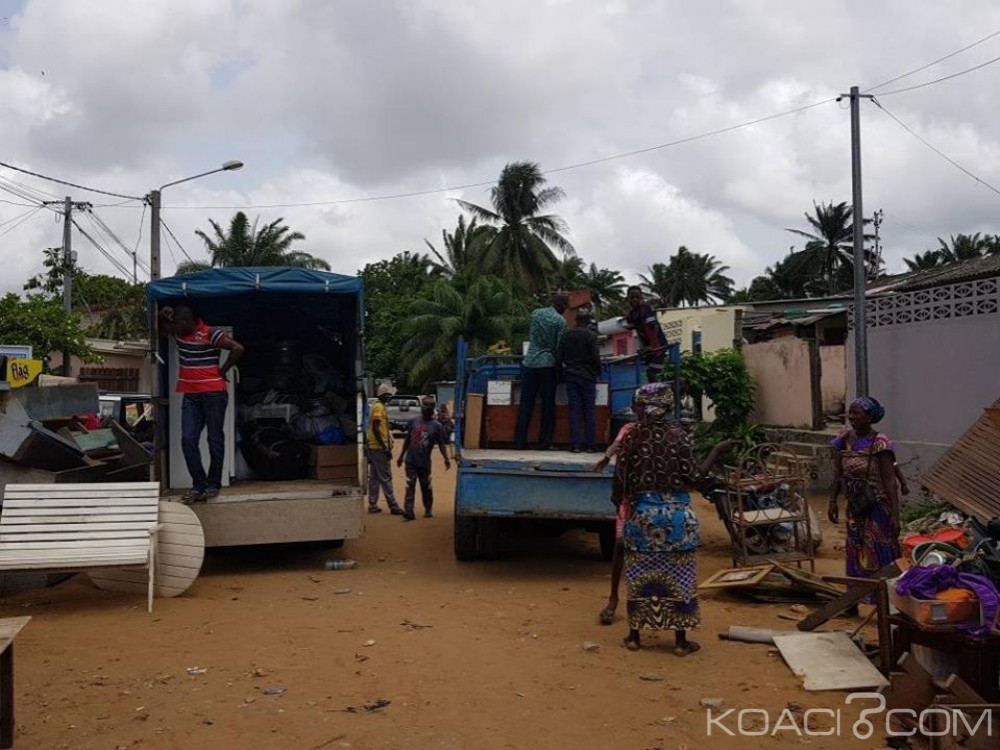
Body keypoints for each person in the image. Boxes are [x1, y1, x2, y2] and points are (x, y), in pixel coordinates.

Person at [612, 382, 734, 653]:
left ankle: (634, 638)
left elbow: (619, 480)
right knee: (679, 576)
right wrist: (715, 452)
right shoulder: (679, 436)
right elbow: (695, 477)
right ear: (667, 406)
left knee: (639, 575)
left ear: (644, 405)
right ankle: (680, 642)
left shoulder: (631, 436)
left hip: (641, 517)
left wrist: (624, 505)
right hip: (678, 519)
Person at [159, 305, 245, 503]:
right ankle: (199, 484)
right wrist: (159, 314)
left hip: (214, 394)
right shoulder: (178, 332)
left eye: (178, 326)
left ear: (188, 322)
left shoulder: (210, 333)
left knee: (214, 439)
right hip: (191, 396)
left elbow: (238, 348)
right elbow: (162, 329)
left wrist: (223, 371)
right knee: (188, 439)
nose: (175, 331)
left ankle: (213, 484)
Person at [828, 397, 902, 590]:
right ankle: (853, 597)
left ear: (869, 417)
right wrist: (832, 500)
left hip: (877, 506)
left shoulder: (881, 443)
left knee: (879, 549)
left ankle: (884, 600)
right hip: (854, 507)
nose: (851, 417)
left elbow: (888, 479)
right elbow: (838, 473)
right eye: (850, 413)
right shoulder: (843, 440)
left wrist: (895, 514)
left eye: (856, 413)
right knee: (855, 548)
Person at [593, 396, 641, 625]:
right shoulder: (629, 428)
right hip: (628, 498)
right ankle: (613, 599)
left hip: (652, 500)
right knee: (620, 546)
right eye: (640, 406)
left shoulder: (668, 433)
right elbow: (617, 443)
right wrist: (606, 456)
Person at [515, 294, 569, 450]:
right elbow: (559, 347)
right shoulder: (561, 322)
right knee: (547, 405)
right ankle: (544, 442)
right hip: (547, 364)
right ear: (563, 307)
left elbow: (531, 334)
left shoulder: (536, 313)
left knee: (526, 403)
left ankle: (520, 440)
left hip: (529, 361)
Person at [397, 399, 451, 520]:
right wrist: (401, 456)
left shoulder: (437, 426)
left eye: (429, 406)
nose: (425, 407)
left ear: (433, 409)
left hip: (424, 463)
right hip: (411, 460)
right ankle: (409, 510)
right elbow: (407, 440)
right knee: (410, 484)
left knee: (426, 486)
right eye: (424, 405)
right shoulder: (414, 422)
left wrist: (446, 458)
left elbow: (442, 444)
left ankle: (428, 508)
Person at [559, 312, 601, 453]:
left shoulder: (567, 334)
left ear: (576, 321)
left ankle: (576, 445)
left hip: (571, 375)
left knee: (574, 411)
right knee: (589, 411)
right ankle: (590, 445)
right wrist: (596, 371)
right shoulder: (591, 335)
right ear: (588, 322)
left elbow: (561, 354)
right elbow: (595, 357)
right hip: (588, 377)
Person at [367, 384, 403, 515]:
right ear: (382, 395)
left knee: (375, 478)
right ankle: (393, 505)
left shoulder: (379, 406)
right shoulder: (378, 407)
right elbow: (376, 428)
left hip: (374, 447)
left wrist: (396, 425)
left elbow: (382, 424)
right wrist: (384, 447)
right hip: (378, 447)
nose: (389, 398)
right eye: (387, 395)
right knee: (386, 477)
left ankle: (372, 505)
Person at [623, 286, 669, 383]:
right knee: (648, 375)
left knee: (652, 372)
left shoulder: (646, 309)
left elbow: (653, 328)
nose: (635, 299)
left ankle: (658, 395)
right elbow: (632, 328)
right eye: (632, 297)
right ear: (628, 299)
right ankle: (653, 395)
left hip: (658, 347)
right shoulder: (631, 314)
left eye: (637, 297)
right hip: (648, 349)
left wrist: (651, 346)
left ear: (641, 298)